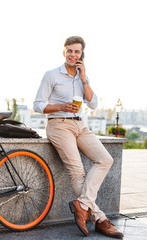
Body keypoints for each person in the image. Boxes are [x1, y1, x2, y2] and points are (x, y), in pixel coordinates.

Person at [33, 36, 123, 239]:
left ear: (82, 54)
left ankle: (82, 205)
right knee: (77, 171)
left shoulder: (82, 76)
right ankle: (100, 219)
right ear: (63, 52)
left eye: (77, 51)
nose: (73, 54)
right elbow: (38, 105)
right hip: (58, 125)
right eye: (70, 51)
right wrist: (61, 106)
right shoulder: (51, 75)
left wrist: (84, 78)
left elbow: (92, 104)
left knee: (105, 159)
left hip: (80, 124)